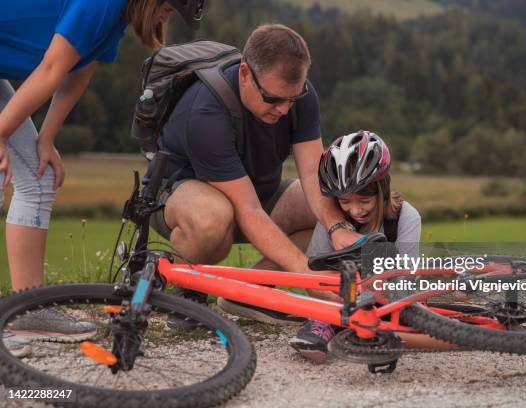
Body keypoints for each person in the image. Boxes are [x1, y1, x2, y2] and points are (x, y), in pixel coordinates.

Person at [0, 0, 206, 354]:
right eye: (167, 9)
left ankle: (28, 312)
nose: (164, 18)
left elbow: (78, 69)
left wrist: (46, 139)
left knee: (39, 178)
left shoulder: (115, 18)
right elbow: (51, 67)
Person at [147, 24, 362, 324]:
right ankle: (188, 293)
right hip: (182, 199)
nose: (284, 110)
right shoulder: (205, 113)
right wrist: (308, 275)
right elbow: (247, 210)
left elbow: (315, 174)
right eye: (274, 99)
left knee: (336, 204)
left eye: (293, 99)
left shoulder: (299, 96)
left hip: (256, 197)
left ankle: (248, 291)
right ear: (245, 74)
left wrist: (337, 227)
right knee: (213, 217)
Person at [289, 130, 421, 364]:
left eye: (365, 201)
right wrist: (335, 301)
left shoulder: (405, 218)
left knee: (406, 315)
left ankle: (375, 331)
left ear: (383, 189)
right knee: (324, 311)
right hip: (340, 299)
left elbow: (407, 282)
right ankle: (326, 324)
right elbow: (314, 275)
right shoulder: (332, 220)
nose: (355, 211)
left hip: (387, 300)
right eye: (345, 201)